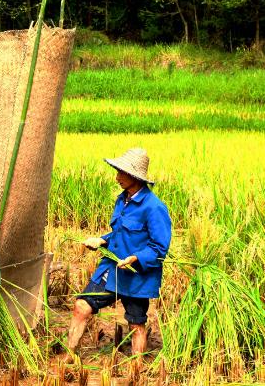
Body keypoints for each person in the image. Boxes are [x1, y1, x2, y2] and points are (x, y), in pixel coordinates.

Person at [64, 147, 171, 368]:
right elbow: (119, 232)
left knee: (136, 323)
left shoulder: (154, 208)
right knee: (82, 305)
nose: (117, 177)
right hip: (112, 268)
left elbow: (160, 247)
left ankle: (136, 368)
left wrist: (136, 258)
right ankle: (70, 356)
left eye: (121, 173)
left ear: (134, 176)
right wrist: (102, 240)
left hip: (136, 275)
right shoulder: (122, 200)